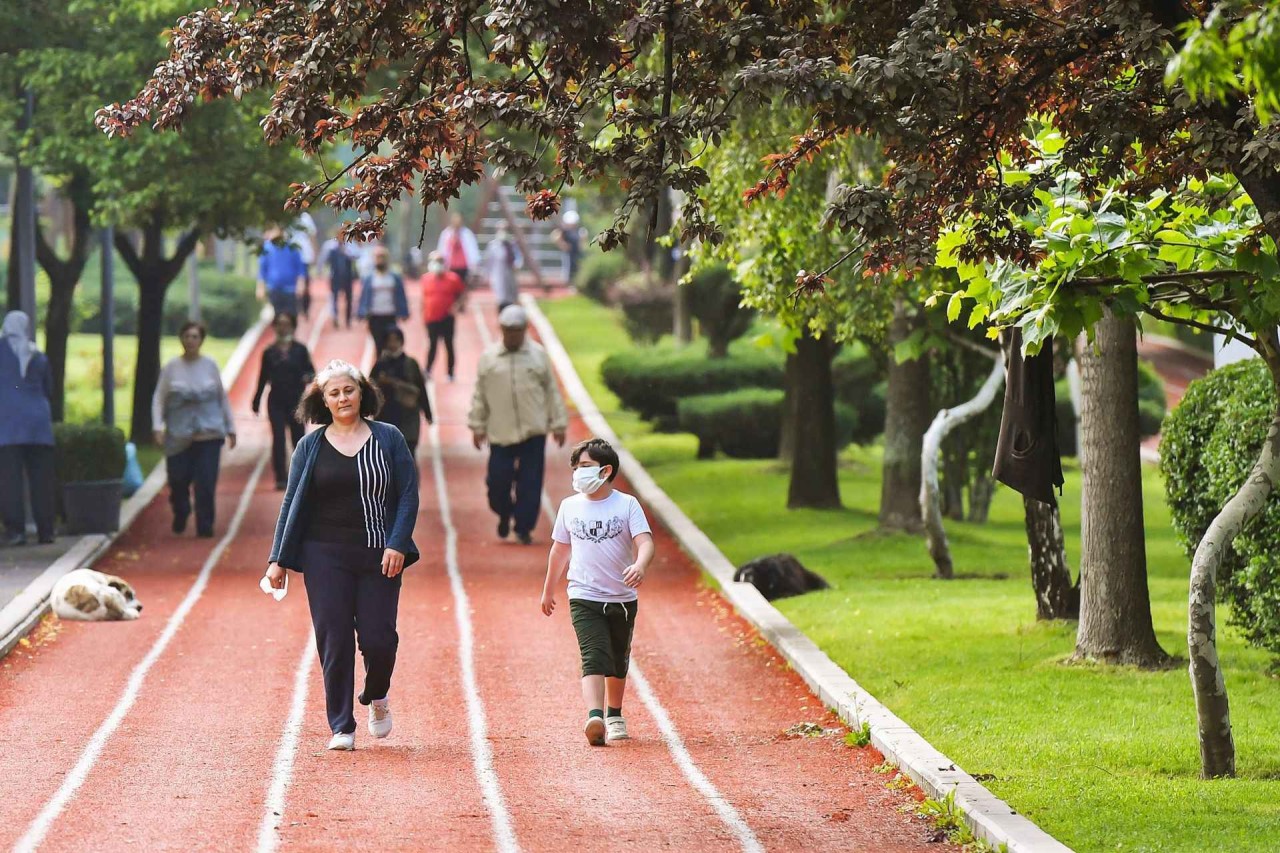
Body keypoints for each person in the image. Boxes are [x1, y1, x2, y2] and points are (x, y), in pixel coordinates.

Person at [264, 359, 419, 751]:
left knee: (379, 639)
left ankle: (378, 695)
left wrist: (397, 542)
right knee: (334, 638)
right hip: (324, 555)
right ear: (323, 401)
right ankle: (341, 725)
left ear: (362, 392)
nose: (342, 397)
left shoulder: (389, 438)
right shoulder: (310, 446)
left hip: (378, 553)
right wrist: (278, 559)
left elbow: (407, 495)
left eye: (348, 390)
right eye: (333, 393)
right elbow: (291, 504)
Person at [540, 438, 655, 746]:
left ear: (605, 471)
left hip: (622, 598)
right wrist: (549, 588)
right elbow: (559, 550)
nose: (578, 473)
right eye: (576, 468)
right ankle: (595, 716)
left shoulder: (626, 504)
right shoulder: (569, 507)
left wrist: (641, 566)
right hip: (583, 595)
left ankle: (614, 714)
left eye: (586, 467)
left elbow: (644, 541)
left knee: (618, 660)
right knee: (593, 655)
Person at [468, 304, 568, 545]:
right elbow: (479, 394)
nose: (513, 335)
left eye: (517, 330)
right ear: (501, 329)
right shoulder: (489, 358)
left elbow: (552, 392)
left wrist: (559, 423)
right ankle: (504, 512)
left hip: (533, 431)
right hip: (500, 432)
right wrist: (477, 425)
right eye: (508, 330)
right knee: (497, 484)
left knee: (530, 483)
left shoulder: (538, 355)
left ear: (524, 329)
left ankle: (523, 527)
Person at [153, 321, 237, 538]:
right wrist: (157, 426)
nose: (191, 341)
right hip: (179, 435)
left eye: (195, 337)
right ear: (181, 339)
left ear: (201, 340)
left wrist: (231, 427)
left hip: (209, 434)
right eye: (187, 336)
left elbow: (222, 398)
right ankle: (181, 510)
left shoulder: (210, 365)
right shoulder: (171, 368)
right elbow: (159, 399)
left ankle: (205, 524)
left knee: (206, 482)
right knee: (178, 480)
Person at [0, 311, 56, 546]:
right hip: (39, 425)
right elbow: (49, 389)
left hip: (8, 424)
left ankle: (16, 532)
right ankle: (46, 531)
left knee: (10, 480)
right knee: (42, 478)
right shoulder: (37, 354)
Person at [252, 312, 316, 490]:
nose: (283, 328)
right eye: (279, 324)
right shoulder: (269, 352)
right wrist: (256, 400)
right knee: (278, 438)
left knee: (298, 438)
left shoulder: (300, 350)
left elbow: (312, 372)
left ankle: (302, 474)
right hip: (276, 400)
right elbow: (262, 377)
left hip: (296, 399)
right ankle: (281, 477)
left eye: (286, 324)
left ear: (293, 327)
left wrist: (307, 377)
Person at [370, 328, 433, 456]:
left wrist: (428, 413)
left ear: (401, 341)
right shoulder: (380, 365)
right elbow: (369, 390)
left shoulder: (411, 364)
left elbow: (421, 389)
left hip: (408, 417)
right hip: (385, 417)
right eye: (390, 341)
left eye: (396, 340)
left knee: (408, 456)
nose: (393, 344)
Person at [420, 251, 466, 381]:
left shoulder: (453, 278)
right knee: (432, 345)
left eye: (440, 261)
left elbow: (462, 294)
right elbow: (423, 299)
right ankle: (428, 370)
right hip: (431, 318)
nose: (437, 264)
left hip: (447, 318)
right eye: (435, 261)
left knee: (449, 345)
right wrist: (423, 315)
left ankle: (450, 373)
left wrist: (456, 306)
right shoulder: (425, 279)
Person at [357, 246, 410, 349]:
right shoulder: (369, 279)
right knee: (379, 345)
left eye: (382, 257)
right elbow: (363, 297)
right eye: (377, 257)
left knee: (390, 344)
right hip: (375, 317)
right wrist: (361, 313)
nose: (380, 260)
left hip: (390, 315)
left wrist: (404, 312)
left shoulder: (394, 278)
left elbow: (401, 295)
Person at [257, 226, 307, 317]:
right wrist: (260, 287)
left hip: (290, 290)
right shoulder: (267, 248)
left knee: (291, 317)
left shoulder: (293, 248)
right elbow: (262, 270)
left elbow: (300, 269)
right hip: (274, 289)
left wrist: (301, 284)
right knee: (276, 317)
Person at [484, 220, 523, 311]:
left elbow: (518, 258)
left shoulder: (512, 244)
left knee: (512, 297)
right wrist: (487, 275)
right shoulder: (493, 246)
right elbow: (488, 262)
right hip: (498, 275)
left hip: (510, 274)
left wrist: (517, 265)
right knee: (501, 298)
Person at [286, 213, 318, 318]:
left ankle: (304, 307)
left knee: (305, 283)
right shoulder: (286, 217)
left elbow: (312, 235)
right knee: (292, 283)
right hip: (290, 256)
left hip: (304, 255)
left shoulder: (305, 217)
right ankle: (295, 306)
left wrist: (314, 252)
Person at [322, 232, 357, 328]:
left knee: (349, 299)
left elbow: (356, 256)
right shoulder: (332, 249)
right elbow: (325, 261)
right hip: (335, 277)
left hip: (347, 277)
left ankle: (348, 319)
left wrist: (345, 252)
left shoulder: (350, 248)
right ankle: (335, 317)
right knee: (334, 298)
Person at [436, 211, 480, 284]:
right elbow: (441, 249)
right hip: (450, 266)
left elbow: (473, 250)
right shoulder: (446, 234)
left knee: (463, 287)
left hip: (464, 267)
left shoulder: (467, 234)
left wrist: (474, 265)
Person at [553, 209, 585, 285]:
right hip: (568, 254)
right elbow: (555, 237)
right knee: (568, 271)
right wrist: (564, 246)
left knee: (577, 269)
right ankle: (567, 285)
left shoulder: (579, 230)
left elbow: (582, 242)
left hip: (577, 253)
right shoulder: (564, 231)